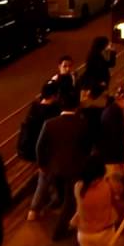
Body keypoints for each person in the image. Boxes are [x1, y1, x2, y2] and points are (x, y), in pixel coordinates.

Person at [33, 92, 91, 236]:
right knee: (70, 200)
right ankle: (59, 231)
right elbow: (87, 146)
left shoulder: (50, 124)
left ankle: (43, 210)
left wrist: (42, 164)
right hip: (74, 168)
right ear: (76, 106)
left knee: (59, 195)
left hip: (54, 168)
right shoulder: (82, 123)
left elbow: (40, 146)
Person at [71, 158, 122, 246]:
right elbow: (118, 192)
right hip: (104, 231)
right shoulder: (107, 186)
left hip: (84, 233)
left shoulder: (78, 187)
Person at [18, 81, 61, 163]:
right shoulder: (51, 112)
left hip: (27, 150)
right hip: (38, 153)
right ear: (54, 96)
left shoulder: (34, 108)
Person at [99, 90, 124, 175]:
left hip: (109, 153)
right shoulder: (115, 112)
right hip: (113, 155)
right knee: (115, 177)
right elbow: (117, 134)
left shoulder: (111, 109)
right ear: (122, 99)